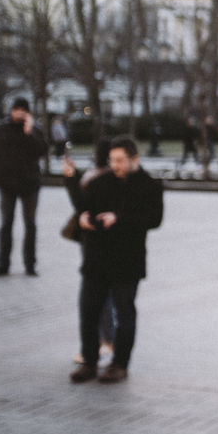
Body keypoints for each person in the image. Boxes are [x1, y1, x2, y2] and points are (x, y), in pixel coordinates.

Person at [69, 135, 164, 384]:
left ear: (135, 159)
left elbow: (154, 219)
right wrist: (82, 215)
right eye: (112, 160)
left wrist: (119, 218)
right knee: (88, 312)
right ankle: (89, 362)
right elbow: (83, 206)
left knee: (125, 315)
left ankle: (119, 364)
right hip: (97, 259)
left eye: (121, 161)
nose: (116, 166)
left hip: (127, 261)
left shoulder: (149, 185)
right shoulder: (101, 182)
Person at [63, 139, 116, 365]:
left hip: (94, 242)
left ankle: (103, 343)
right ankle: (107, 341)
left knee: (95, 295)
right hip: (107, 243)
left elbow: (81, 205)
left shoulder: (95, 178)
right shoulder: (112, 177)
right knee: (106, 294)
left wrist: (70, 179)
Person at [0, 97, 49, 277]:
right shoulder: (1, 131)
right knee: (6, 225)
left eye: (24, 110)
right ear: (12, 111)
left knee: (30, 225)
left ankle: (30, 264)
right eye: (17, 109)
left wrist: (29, 132)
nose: (20, 113)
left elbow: (42, 151)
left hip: (30, 185)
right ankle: (3, 264)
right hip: (7, 184)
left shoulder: (34, 132)